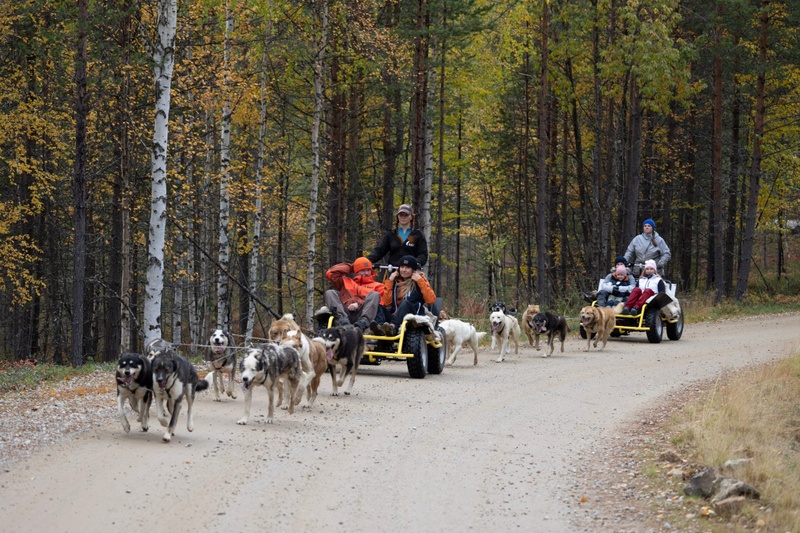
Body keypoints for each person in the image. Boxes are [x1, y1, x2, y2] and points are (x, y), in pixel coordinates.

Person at [322, 257, 385, 332]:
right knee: (329, 293)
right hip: (345, 313)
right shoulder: (346, 282)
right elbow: (330, 273)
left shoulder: (378, 286)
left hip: (364, 314)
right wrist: (352, 267)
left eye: (368, 270)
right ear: (356, 271)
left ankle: (362, 323)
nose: (366, 273)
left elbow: (381, 304)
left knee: (375, 295)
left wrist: (358, 304)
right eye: (363, 270)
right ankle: (343, 322)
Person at [379, 255, 436, 334]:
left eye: (407, 268)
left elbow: (431, 300)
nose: (404, 270)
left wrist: (420, 281)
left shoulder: (419, 281)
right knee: (379, 307)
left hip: (413, 316)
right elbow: (387, 303)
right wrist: (390, 281)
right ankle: (379, 328)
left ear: (413, 270)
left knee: (405, 302)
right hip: (395, 315)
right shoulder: (395, 282)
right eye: (402, 267)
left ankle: (393, 327)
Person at [368, 204, 429, 270]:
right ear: (397, 217)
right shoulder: (391, 234)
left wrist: (415, 263)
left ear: (411, 217)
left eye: (406, 215)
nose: (403, 217)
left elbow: (423, 254)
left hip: (411, 272)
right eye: (401, 215)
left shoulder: (418, 235)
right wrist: (366, 261)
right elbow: (379, 251)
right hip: (394, 271)